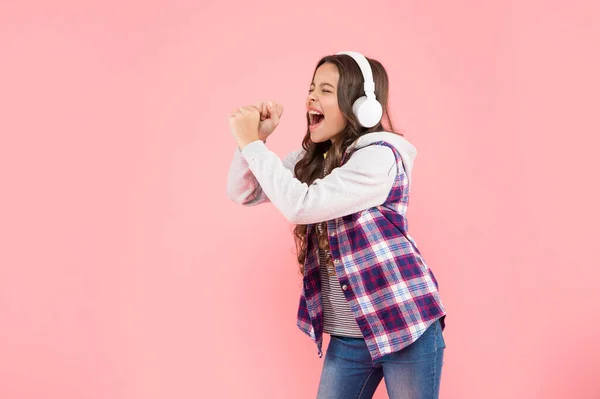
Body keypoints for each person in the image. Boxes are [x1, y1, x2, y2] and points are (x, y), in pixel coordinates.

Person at [226, 51, 447, 399]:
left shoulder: (379, 157)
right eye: (311, 88)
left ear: (360, 106)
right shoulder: (315, 159)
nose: (311, 97)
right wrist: (255, 143)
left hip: (404, 324)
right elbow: (244, 192)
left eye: (326, 90)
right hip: (350, 335)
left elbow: (301, 206)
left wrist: (252, 144)